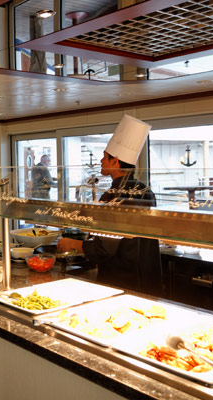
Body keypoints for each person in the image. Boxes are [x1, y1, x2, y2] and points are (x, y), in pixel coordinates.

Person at [57, 115, 162, 296]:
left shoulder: (114, 195)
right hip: (146, 278)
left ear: (116, 161)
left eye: (105, 157)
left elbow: (104, 248)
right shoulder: (145, 190)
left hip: (121, 280)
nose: (101, 160)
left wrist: (71, 243)